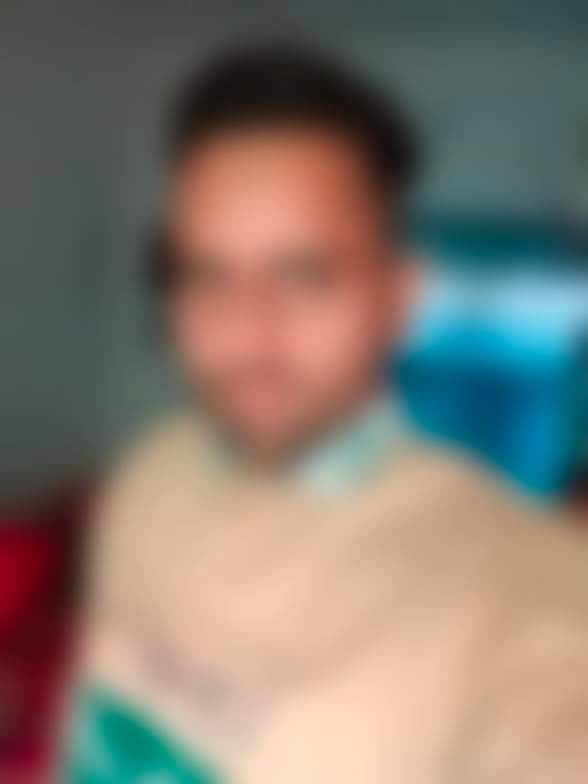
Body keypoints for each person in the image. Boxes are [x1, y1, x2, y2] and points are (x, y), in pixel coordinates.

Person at [64, 43, 588, 783]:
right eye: (208, 275)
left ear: (399, 296)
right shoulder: (151, 473)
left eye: (305, 274)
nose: (247, 327)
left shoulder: (524, 586)